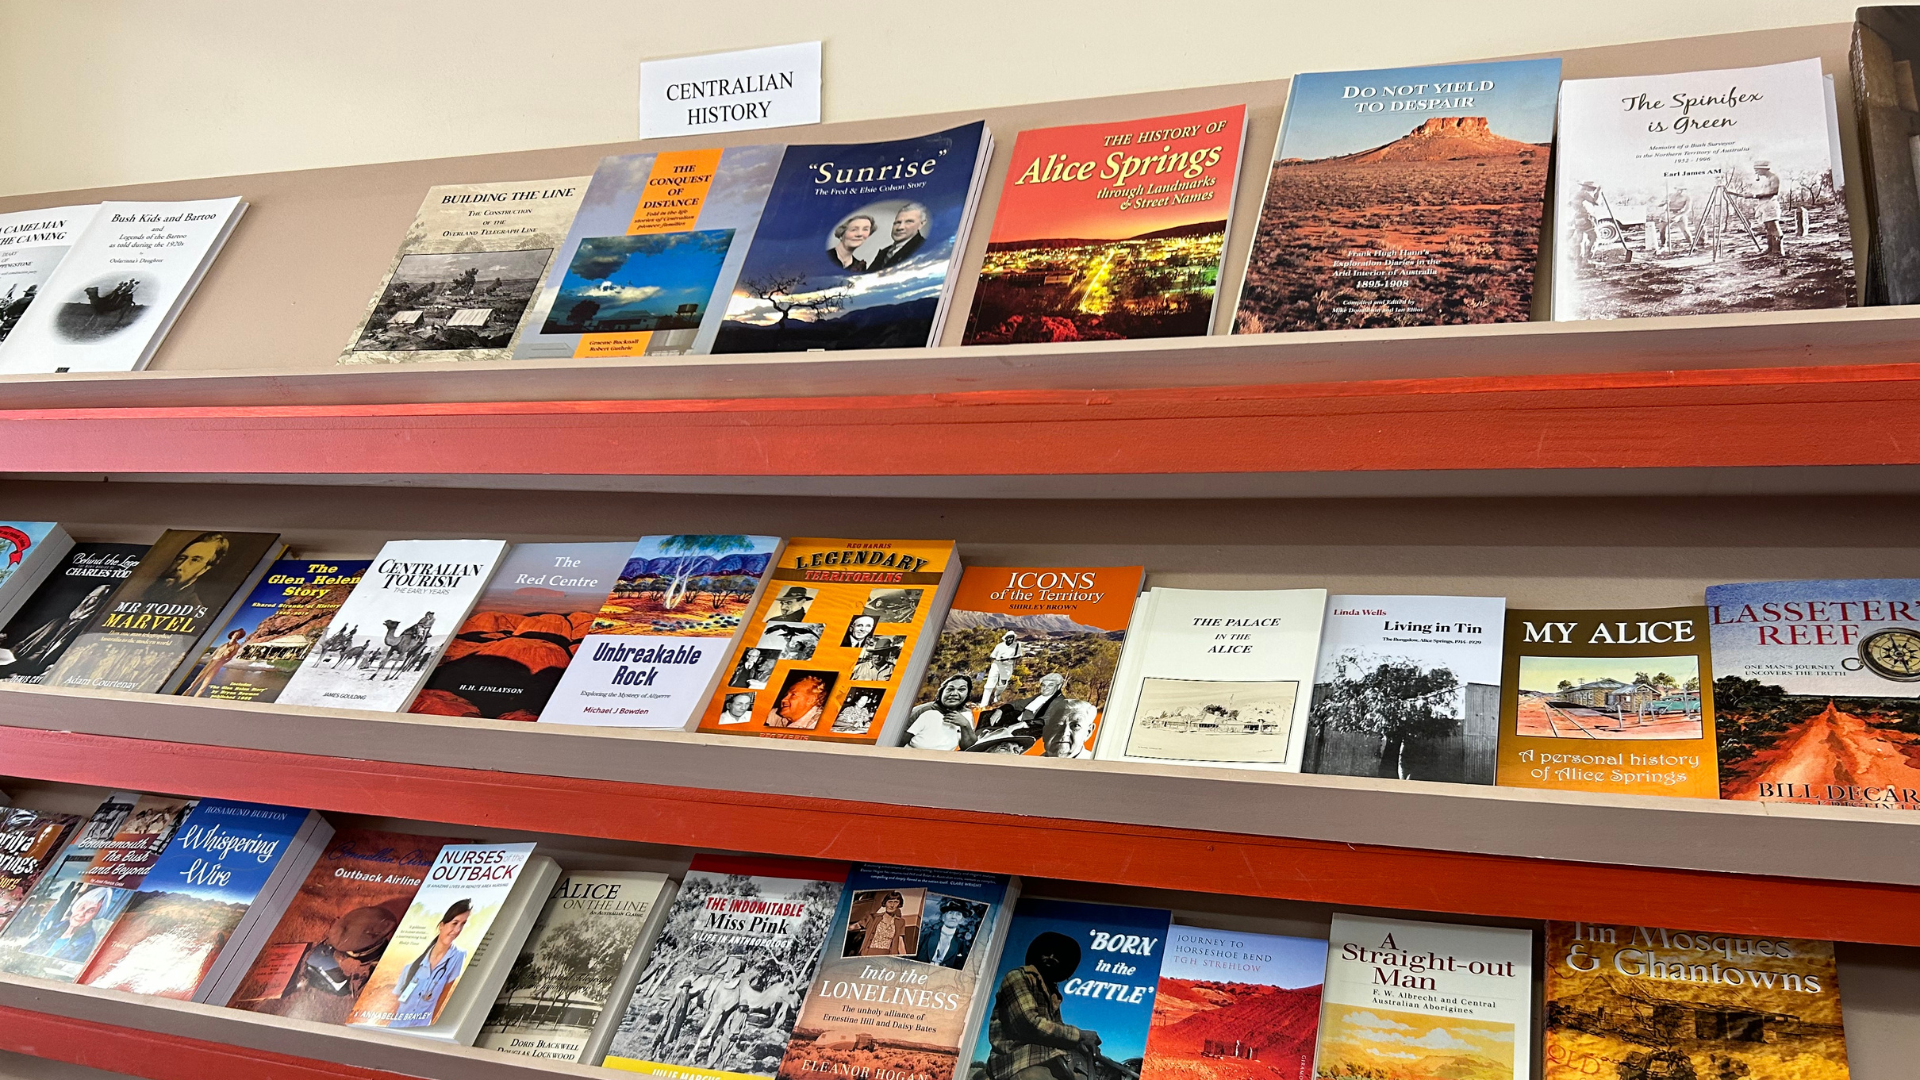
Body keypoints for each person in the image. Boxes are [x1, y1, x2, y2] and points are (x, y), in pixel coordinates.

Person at [987, 931, 1102, 1080]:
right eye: (1047, 953)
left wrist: (1082, 1044)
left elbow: (1056, 1031)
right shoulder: (1018, 977)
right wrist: (1080, 1035)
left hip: (1049, 1058)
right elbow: (1028, 1024)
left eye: (1058, 956)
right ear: (1037, 954)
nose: (1052, 958)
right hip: (1018, 1059)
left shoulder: (1053, 993)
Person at [391, 899, 470, 1027]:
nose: (457, 930)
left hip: (420, 1030)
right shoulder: (411, 966)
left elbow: (444, 996)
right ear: (441, 925)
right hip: (396, 1027)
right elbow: (397, 1003)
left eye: (463, 924)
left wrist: (431, 1027)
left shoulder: (458, 956)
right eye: (454, 923)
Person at [141, 532, 230, 610]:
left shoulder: (193, 611)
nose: (179, 566)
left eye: (195, 560)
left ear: (205, 569)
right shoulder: (153, 594)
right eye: (181, 558)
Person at [24, 886, 112, 962]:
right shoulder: (59, 925)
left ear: (96, 915)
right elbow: (31, 947)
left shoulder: (87, 938)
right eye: (82, 907)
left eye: (91, 911)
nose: (82, 914)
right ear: (76, 906)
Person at [906, 674, 979, 750]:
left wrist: (966, 726)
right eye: (950, 689)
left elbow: (968, 748)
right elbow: (898, 741)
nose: (954, 694)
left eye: (961, 690)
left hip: (943, 760)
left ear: (967, 694)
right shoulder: (923, 710)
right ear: (941, 692)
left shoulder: (966, 714)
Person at [1731, 159, 1783, 258]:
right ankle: (1770, 249)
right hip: (1764, 205)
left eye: (1757, 170)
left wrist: (1754, 195)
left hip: (1771, 204)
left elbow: (1773, 192)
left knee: (1773, 227)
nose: (1756, 172)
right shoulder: (1766, 179)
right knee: (1768, 228)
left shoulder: (1774, 178)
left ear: (1763, 169)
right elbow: (1763, 193)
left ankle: (1778, 251)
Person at [914, 898, 979, 968]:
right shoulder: (926, 935)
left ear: (961, 920)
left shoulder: (961, 944)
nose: (953, 917)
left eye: (958, 914)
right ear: (943, 917)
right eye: (950, 913)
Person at [185, 629, 247, 697]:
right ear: (232, 634)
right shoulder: (223, 644)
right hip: (211, 662)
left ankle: (196, 697)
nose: (236, 635)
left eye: (238, 635)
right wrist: (212, 658)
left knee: (206, 682)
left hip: (218, 664)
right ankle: (185, 694)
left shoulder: (236, 646)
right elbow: (214, 653)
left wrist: (222, 662)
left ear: (239, 637)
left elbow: (230, 657)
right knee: (197, 679)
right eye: (235, 634)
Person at [868, 204, 929, 272]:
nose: (900, 227)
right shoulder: (884, 252)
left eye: (908, 222)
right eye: (897, 222)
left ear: (921, 224)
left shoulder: (924, 248)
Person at [849, 891, 913, 956]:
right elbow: (857, 925)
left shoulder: (900, 922)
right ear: (885, 903)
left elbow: (900, 941)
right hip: (868, 952)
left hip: (886, 955)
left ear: (899, 904)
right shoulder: (873, 918)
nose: (892, 905)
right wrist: (846, 927)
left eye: (896, 902)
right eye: (890, 902)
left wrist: (905, 957)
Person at [1015, 673, 1070, 738]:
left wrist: (1027, 723)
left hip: (1033, 730)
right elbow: (1019, 704)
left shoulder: (1060, 701)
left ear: (1058, 686)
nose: (1045, 688)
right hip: (1018, 723)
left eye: (1050, 685)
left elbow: (1048, 720)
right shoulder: (1039, 697)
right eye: (1043, 685)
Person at [979, 632, 1024, 708]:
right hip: (997, 664)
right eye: (1009, 637)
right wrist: (999, 658)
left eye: (1012, 637)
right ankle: (983, 703)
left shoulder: (1016, 646)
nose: (1010, 639)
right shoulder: (999, 646)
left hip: (1007, 666)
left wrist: (1010, 658)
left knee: (1003, 683)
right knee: (989, 684)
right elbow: (992, 655)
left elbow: (1019, 655)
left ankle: (997, 696)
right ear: (1005, 638)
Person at [1570, 181, 1604, 263]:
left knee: (1581, 239)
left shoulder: (1576, 195)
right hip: (1586, 218)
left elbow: (1569, 204)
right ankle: (1587, 258)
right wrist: (1599, 191)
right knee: (1594, 238)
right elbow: (1596, 202)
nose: (1592, 191)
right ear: (1587, 187)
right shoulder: (1585, 193)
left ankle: (1579, 259)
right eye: (1592, 189)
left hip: (1578, 218)